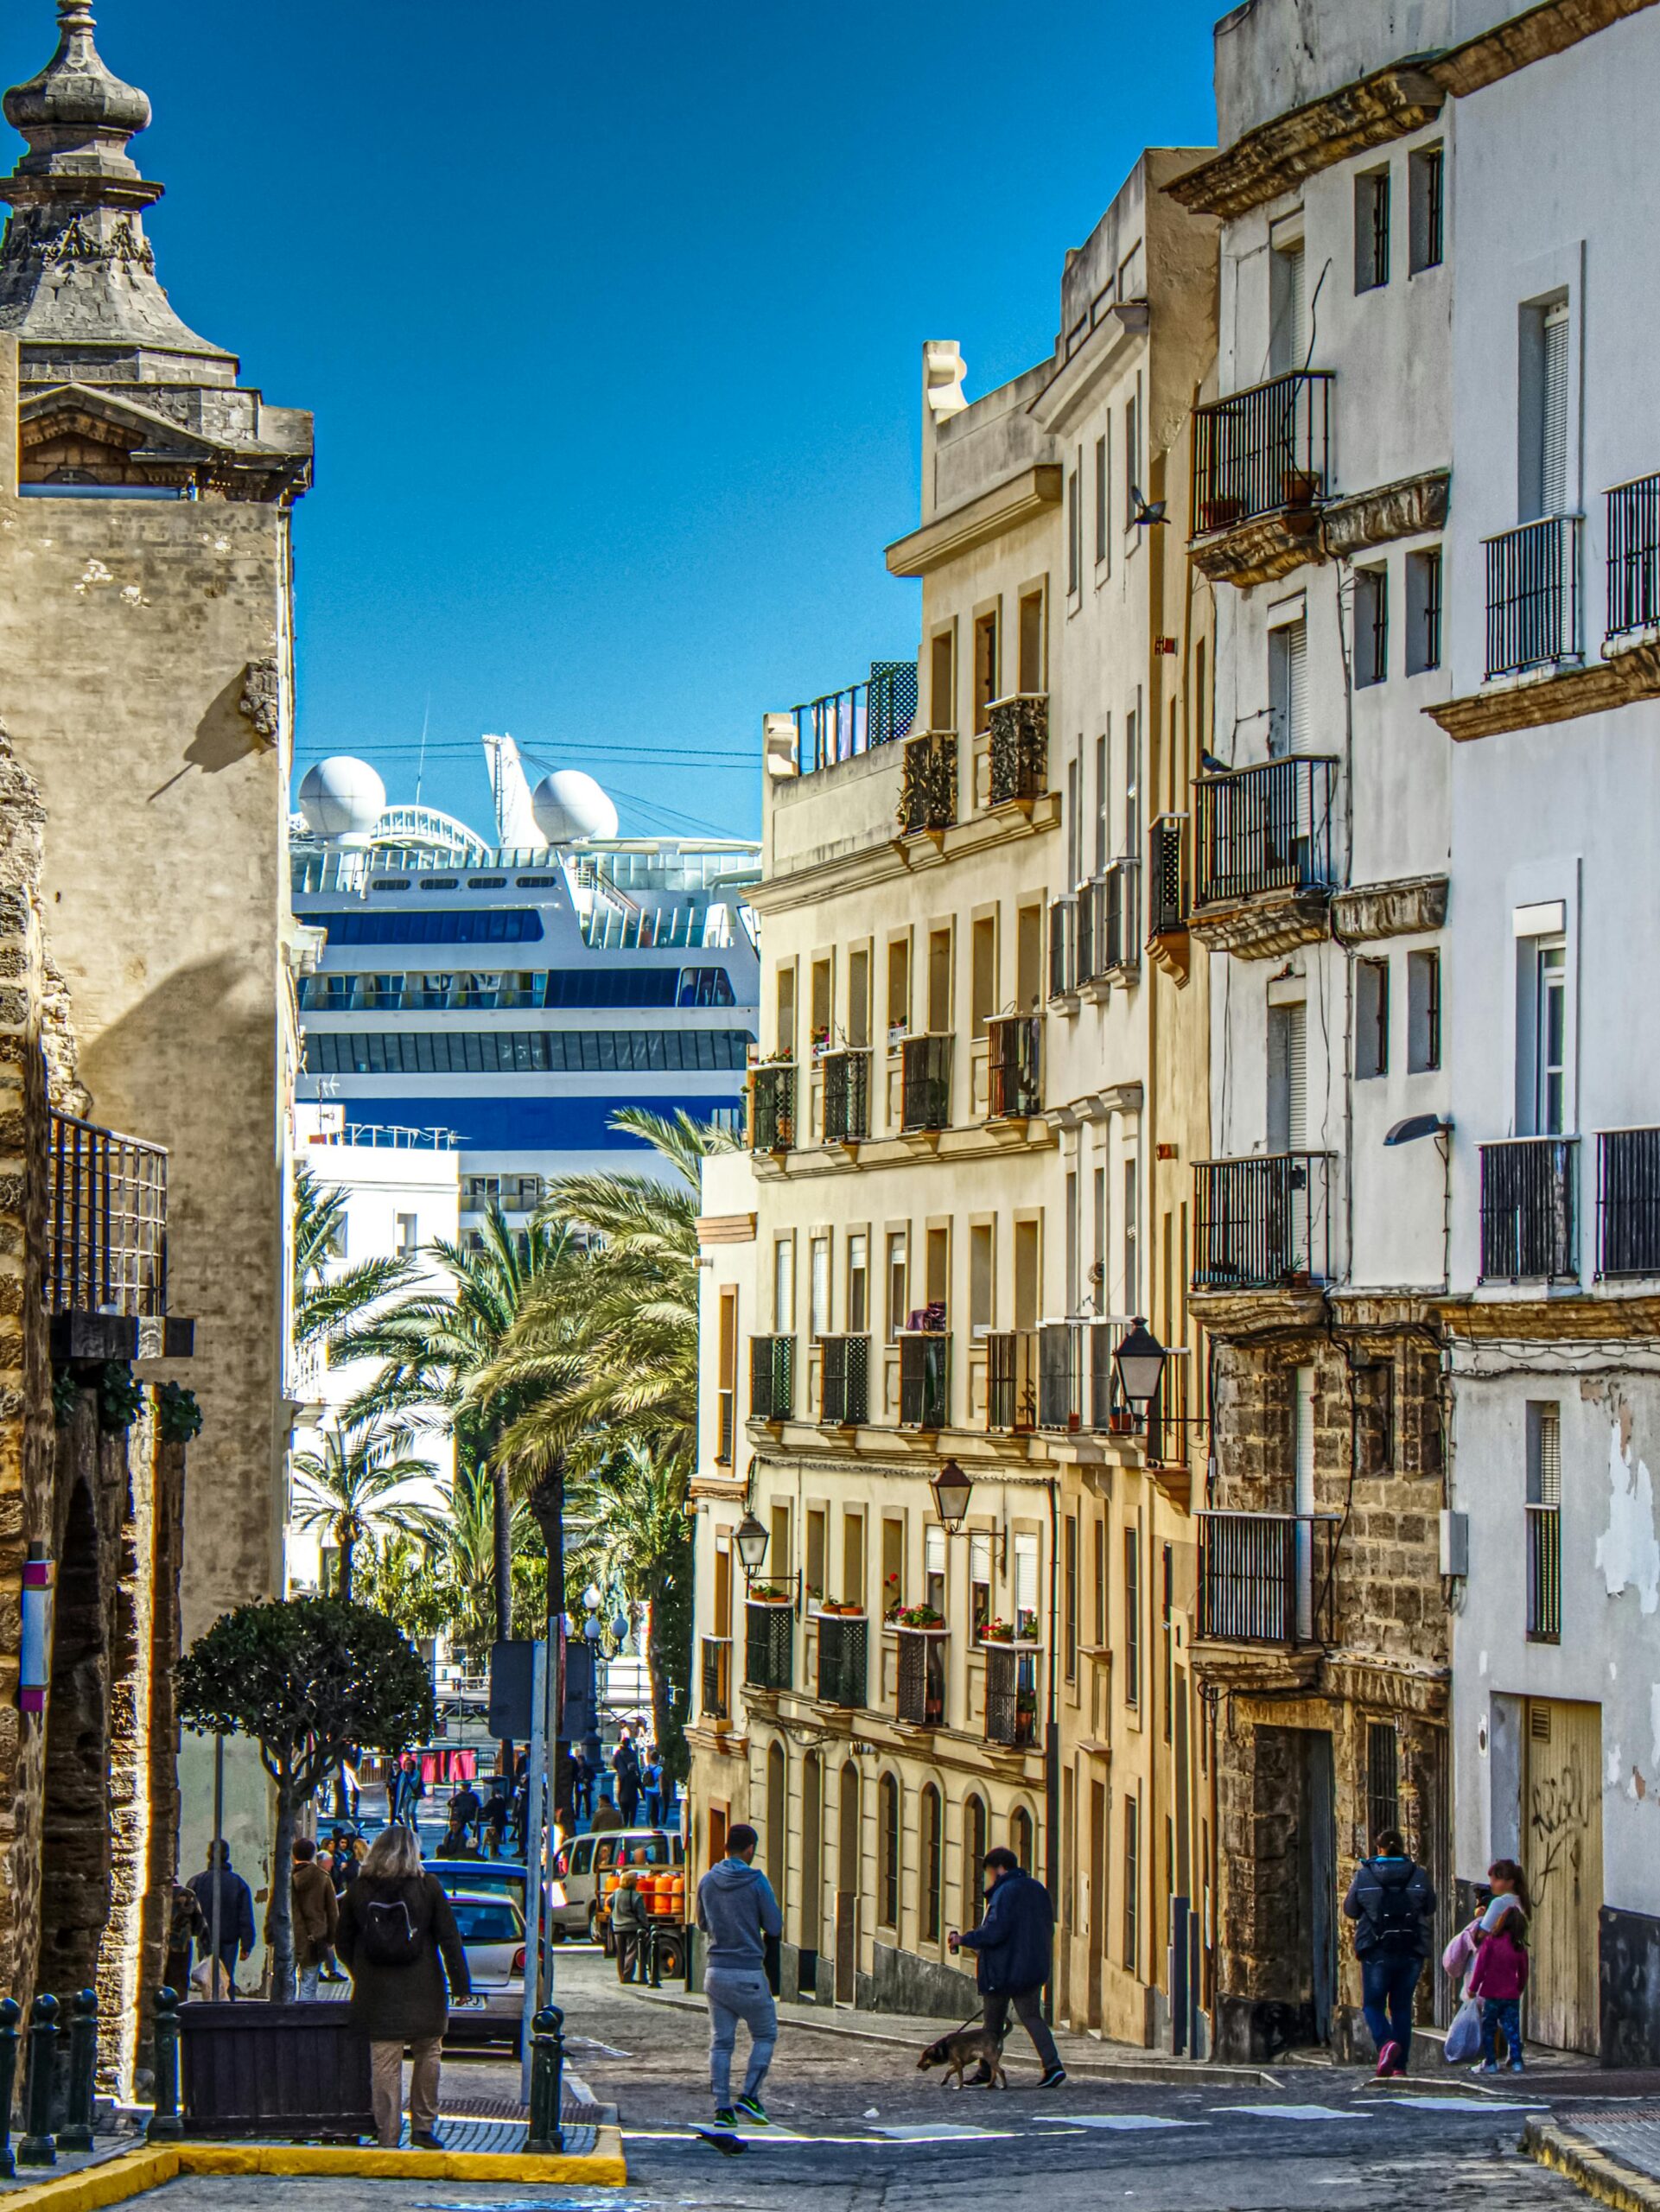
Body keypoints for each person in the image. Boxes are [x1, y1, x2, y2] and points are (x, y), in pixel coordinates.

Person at [335, 1823, 471, 2151]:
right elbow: (449, 1938)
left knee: (384, 2063)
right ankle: (423, 2127)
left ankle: (388, 2133)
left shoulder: (359, 1889)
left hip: (376, 1993)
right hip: (424, 1987)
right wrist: (460, 1984)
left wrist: (361, 1972)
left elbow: (342, 1941)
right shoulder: (428, 1887)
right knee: (429, 2055)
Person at [948, 1847, 1066, 2088]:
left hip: (1004, 1969)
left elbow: (995, 1931)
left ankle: (1051, 2066)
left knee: (993, 2023)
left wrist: (965, 1939)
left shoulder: (1005, 1892)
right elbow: (1047, 1927)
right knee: (1032, 2017)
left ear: (999, 1869)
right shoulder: (1037, 1889)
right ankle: (992, 2069)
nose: (990, 1878)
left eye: (991, 1873)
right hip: (1033, 1966)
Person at [696, 1821, 782, 2128]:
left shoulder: (707, 1881)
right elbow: (774, 1926)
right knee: (765, 2034)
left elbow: (702, 1924)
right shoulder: (757, 1881)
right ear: (749, 1849)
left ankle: (722, 2109)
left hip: (715, 1972)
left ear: (725, 1848)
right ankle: (749, 2095)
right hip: (747, 1971)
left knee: (721, 2043)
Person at [1342, 1827, 1438, 2079]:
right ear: (1403, 1846)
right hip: (1411, 1949)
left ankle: (1386, 2043)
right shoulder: (1418, 1874)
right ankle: (1400, 2067)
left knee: (1373, 2005)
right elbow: (1431, 1906)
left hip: (1377, 1949)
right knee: (1402, 2007)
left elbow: (1351, 1909)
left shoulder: (1365, 1876)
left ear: (1378, 1848)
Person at [1469, 1859, 1530, 2075]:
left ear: (1508, 1881)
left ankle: (1491, 2061)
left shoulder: (1499, 1905)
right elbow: (1524, 1971)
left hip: (1492, 1987)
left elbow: (1482, 1935)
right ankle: (1516, 2060)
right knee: (1512, 2025)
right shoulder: (1522, 1904)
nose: (1492, 1883)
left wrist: (1473, 1987)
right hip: (1511, 1988)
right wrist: (1520, 1986)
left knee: (1490, 2025)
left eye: (1495, 1878)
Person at [188, 1841, 256, 1996]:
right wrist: (247, 1944)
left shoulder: (198, 1881)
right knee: (226, 1979)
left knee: (208, 1979)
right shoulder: (238, 1883)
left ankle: (209, 2011)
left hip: (205, 1937)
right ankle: (227, 2012)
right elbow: (245, 1916)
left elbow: (189, 1912)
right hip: (229, 1939)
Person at [289, 1836, 340, 2000]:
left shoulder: (286, 1877)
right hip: (314, 1937)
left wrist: (270, 1934)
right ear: (312, 1855)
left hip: (288, 1935)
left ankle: (286, 2016)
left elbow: (274, 1907)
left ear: (293, 1855)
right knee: (309, 1984)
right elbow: (333, 1911)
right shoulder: (322, 1877)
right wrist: (332, 1938)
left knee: (286, 1981)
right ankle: (304, 2019)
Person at [165, 1878, 207, 2001]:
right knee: (179, 1980)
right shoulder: (188, 1894)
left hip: (160, 1945)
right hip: (181, 1945)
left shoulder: (157, 1893)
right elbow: (199, 1923)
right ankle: (179, 2009)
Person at [612, 1868, 647, 1985]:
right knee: (631, 1952)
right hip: (631, 1927)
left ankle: (621, 1976)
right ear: (632, 1882)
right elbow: (641, 1914)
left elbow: (607, 1902)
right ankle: (627, 1976)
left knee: (620, 1953)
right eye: (636, 1880)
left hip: (617, 1926)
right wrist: (645, 1926)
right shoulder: (636, 1896)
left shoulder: (616, 1892)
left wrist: (614, 1912)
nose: (637, 1882)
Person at [614, 1735, 641, 1827]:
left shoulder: (618, 1754)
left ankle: (625, 1823)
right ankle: (631, 1824)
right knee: (633, 1806)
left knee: (623, 1794)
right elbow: (637, 1765)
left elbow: (614, 1764)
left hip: (622, 1776)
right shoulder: (633, 1754)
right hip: (632, 1775)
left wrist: (619, 1770)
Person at [643, 1753, 663, 1831]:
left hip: (648, 1789)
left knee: (648, 1807)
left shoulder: (647, 1767)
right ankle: (660, 1822)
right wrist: (661, 1791)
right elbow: (660, 1780)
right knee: (661, 1806)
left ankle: (647, 1823)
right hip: (656, 1790)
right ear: (658, 1759)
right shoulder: (659, 1769)